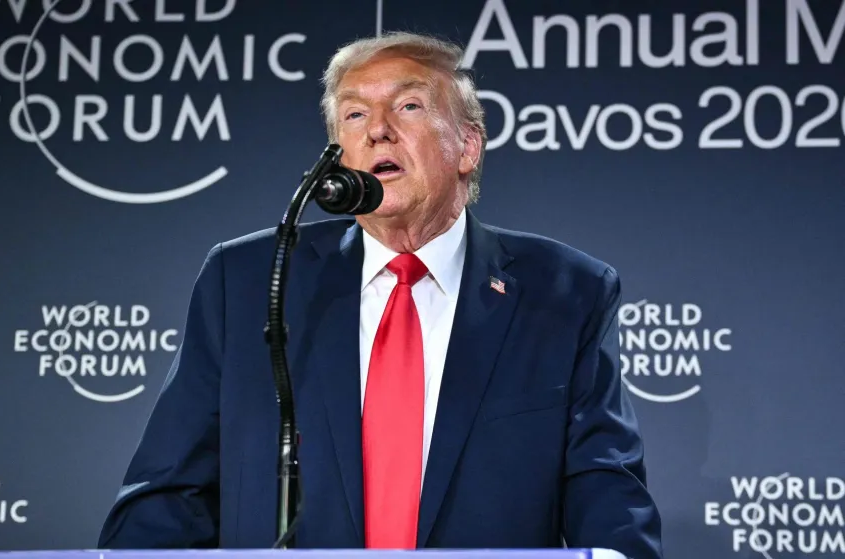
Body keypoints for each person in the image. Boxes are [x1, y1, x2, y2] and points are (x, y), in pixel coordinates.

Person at [97, 31, 663, 558]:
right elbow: (168, 496)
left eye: (408, 106)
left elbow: (605, 490)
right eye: (354, 114)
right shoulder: (250, 280)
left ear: (467, 147)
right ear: (337, 157)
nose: (377, 130)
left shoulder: (565, 291)